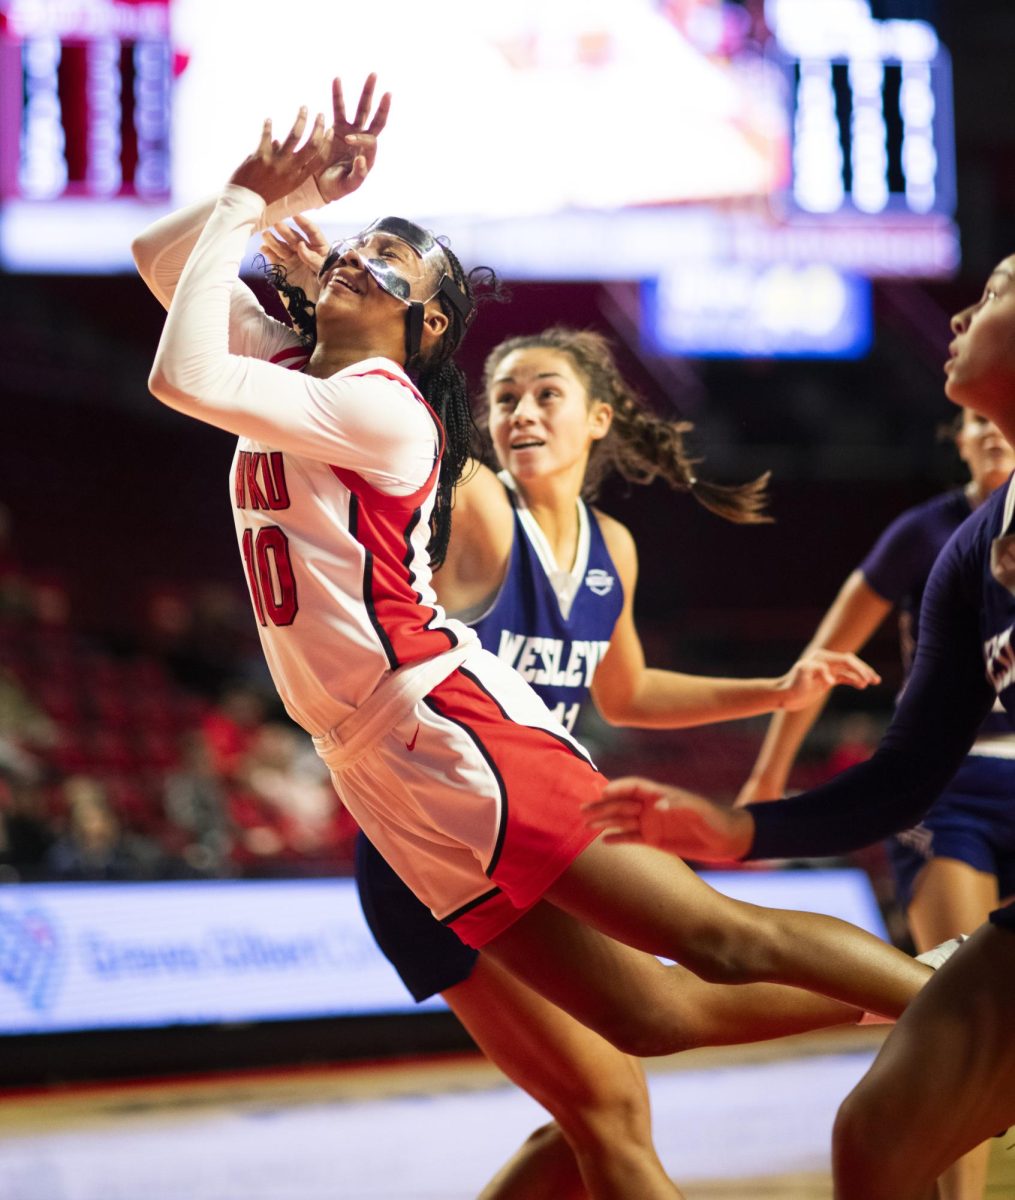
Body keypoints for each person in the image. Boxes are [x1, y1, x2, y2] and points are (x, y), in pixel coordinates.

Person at [134, 75, 944, 1200]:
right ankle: (948, 990)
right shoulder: (289, 367)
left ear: (422, 332)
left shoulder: (378, 405)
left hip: (444, 729)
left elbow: (176, 372)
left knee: (714, 943)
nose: (354, 261)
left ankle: (963, 1002)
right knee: (645, 1019)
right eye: (356, 250)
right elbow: (155, 261)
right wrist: (284, 196)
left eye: (386, 271)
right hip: (375, 770)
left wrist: (239, 204)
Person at [584, 254, 1015, 1198]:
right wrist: (744, 826)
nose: (952, 321)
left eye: (987, 300)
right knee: (878, 1133)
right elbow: (904, 770)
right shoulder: (961, 549)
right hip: (962, 797)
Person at [736, 408, 1015, 1198]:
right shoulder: (927, 534)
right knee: (953, 1016)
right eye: (970, 421)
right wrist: (768, 776)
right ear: (952, 438)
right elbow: (822, 655)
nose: (987, 430)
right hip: (948, 788)